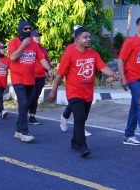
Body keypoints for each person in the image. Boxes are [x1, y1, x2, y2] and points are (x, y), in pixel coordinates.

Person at [48, 27, 120, 158]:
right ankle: (83, 146)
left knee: (82, 119)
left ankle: (75, 142)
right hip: (74, 92)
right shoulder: (69, 54)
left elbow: (102, 67)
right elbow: (59, 75)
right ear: (77, 40)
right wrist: (54, 90)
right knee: (79, 118)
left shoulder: (93, 53)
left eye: (89, 37)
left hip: (88, 92)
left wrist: (114, 74)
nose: (88, 39)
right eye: (85, 37)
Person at [8, 21, 53, 142]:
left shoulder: (34, 44)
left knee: (27, 104)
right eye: (26, 29)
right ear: (21, 29)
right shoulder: (14, 42)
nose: (28, 31)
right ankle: (24, 132)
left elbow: (41, 58)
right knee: (23, 103)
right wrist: (22, 45)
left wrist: (48, 69)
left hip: (30, 79)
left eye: (30, 29)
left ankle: (18, 130)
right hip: (18, 79)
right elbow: (12, 58)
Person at [117, 16, 140, 149]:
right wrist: (123, 78)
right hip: (132, 78)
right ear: (137, 26)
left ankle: (129, 135)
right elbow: (121, 60)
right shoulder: (130, 42)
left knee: (136, 106)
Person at [60, 25, 92, 137]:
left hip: (85, 86)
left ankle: (66, 118)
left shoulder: (89, 50)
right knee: (77, 106)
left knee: (77, 106)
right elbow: (64, 68)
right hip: (74, 84)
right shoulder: (70, 49)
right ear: (74, 36)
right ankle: (78, 131)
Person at [28, 30, 52, 125]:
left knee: (36, 96)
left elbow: (46, 62)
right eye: (35, 36)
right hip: (30, 77)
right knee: (32, 96)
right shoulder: (28, 48)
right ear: (31, 37)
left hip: (41, 77)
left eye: (39, 36)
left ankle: (32, 116)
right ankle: (24, 111)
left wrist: (49, 73)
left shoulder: (42, 49)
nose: (38, 37)